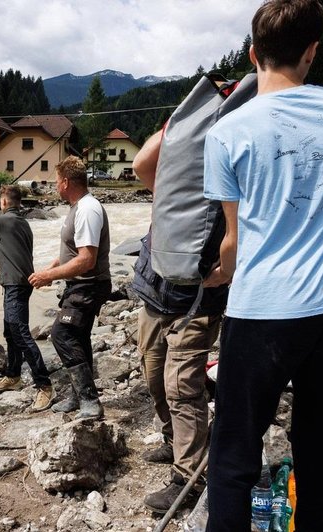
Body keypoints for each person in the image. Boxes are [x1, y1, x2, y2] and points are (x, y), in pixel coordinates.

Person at [201, 1, 323, 529]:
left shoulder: (226, 131)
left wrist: (215, 276)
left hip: (263, 309)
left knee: (234, 457)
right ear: (313, 52)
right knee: (322, 455)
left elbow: (233, 240)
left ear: (252, 53)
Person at [129, 132, 228, 515]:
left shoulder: (229, 192)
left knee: (182, 388)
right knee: (154, 377)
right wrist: (178, 124)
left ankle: (189, 478)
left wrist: (228, 271)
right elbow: (140, 165)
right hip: (154, 299)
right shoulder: (172, 186)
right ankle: (175, 439)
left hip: (199, 306)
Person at [28, 156, 111, 420]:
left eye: (56, 181)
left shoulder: (87, 209)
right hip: (79, 284)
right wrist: (52, 268)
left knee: (62, 334)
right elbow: (72, 252)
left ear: (65, 182)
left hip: (88, 286)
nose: (54, 186)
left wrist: (50, 274)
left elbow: (87, 259)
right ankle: (78, 396)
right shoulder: (77, 207)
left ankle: (89, 401)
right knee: (78, 336)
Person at [0, 185, 54, 412]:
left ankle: (44, 385)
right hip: (23, 282)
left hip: (15, 285)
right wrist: (4, 268)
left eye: (0, 201)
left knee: (21, 333)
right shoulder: (24, 222)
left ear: (4, 201)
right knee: (10, 331)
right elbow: (17, 252)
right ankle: (13, 376)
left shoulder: (0, 221)